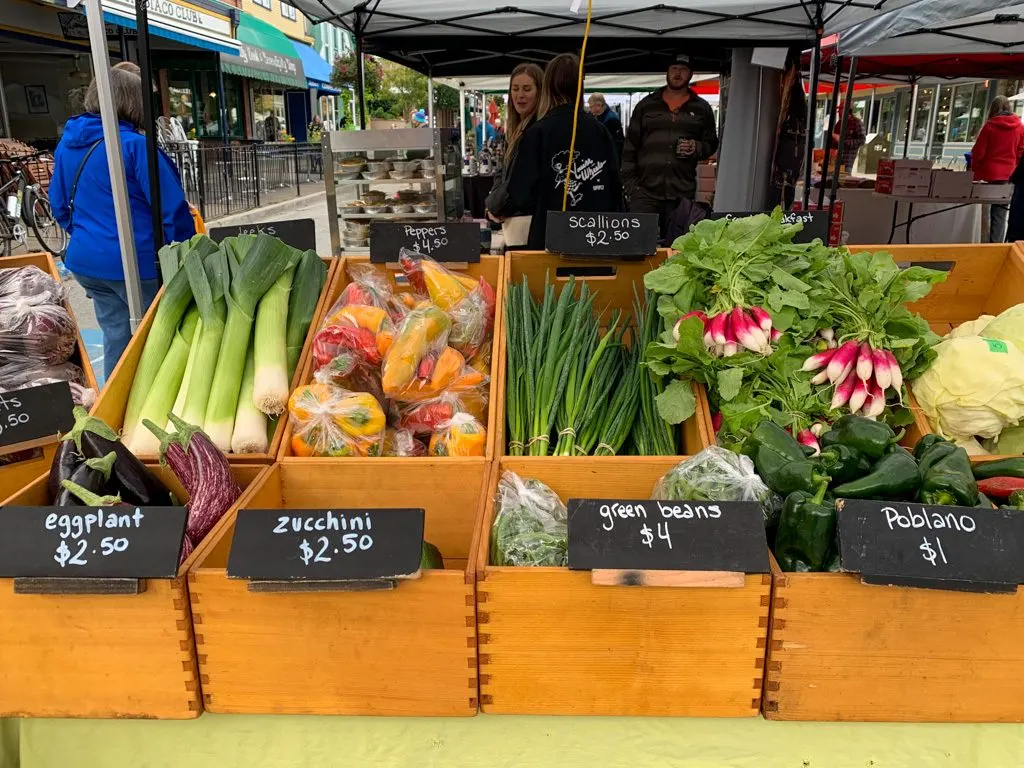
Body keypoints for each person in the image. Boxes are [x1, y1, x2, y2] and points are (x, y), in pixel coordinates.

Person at [50, 67, 195, 378]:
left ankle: (115, 402)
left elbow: (60, 207)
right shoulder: (133, 146)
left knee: (117, 333)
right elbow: (173, 211)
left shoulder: (67, 145)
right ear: (133, 102)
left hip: (86, 262)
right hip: (136, 265)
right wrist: (191, 254)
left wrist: (93, 236)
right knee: (157, 338)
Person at [488, 53, 623, 250]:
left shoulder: (538, 132)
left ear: (547, 85)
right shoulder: (599, 130)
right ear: (580, 85)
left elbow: (521, 194)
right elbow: (615, 184)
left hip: (548, 241)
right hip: (595, 238)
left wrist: (498, 206)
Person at [621, 53, 718, 239]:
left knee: (678, 249)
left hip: (681, 191)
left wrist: (696, 147)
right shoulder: (646, 105)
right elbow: (629, 147)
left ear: (690, 74)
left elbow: (711, 143)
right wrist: (631, 186)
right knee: (638, 247)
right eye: (674, 68)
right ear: (667, 72)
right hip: (645, 191)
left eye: (683, 69)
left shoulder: (702, 108)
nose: (678, 73)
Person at [485, 63, 543, 248]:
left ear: (540, 92)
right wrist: (493, 205)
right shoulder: (514, 130)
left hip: (529, 228)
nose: (520, 95)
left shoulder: (538, 130)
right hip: (513, 223)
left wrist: (496, 206)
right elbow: (502, 173)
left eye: (527, 89)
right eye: (515, 89)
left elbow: (523, 182)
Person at [971, 96, 1024, 242]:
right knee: (1000, 214)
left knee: (984, 214)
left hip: (988, 175)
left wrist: (974, 169)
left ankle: (985, 244)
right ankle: (997, 244)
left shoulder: (990, 126)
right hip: (1009, 175)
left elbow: (979, 152)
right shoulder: (1019, 126)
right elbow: (1022, 151)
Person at [587, 93, 624, 158]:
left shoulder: (612, 120)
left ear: (599, 105)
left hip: (610, 156)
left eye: (591, 107)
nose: (590, 109)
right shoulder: (596, 116)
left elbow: (615, 143)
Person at [832, 103, 865, 173]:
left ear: (846, 110)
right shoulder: (838, 123)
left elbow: (862, 140)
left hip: (847, 159)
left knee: (845, 177)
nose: (838, 112)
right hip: (835, 158)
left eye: (840, 110)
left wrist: (842, 141)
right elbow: (834, 140)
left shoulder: (857, 123)